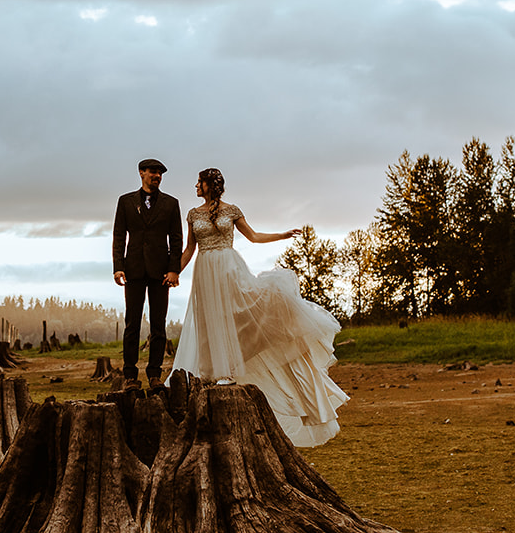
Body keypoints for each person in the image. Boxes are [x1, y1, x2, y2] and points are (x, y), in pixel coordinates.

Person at [172, 167, 347, 446]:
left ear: (210, 185)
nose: (195, 185)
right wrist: (173, 273)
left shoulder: (233, 210)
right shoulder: (193, 214)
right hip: (204, 270)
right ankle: (210, 370)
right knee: (208, 319)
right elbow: (189, 249)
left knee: (235, 316)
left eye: (199, 182)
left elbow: (252, 236)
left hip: (229, 268)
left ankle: (228, 369)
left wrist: (282, 235)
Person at [112, 158, 182, 387]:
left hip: (161, 272)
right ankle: (130, 376)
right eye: (152, 172)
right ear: (141, 173)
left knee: (158, 325)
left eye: (160, 173)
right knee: (132, 324)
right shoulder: (125, 201)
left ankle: (154, 375)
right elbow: (119, 236)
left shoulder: (172, 204)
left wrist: (174, 270)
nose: (157, 176)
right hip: (132, 269)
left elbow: (177, 240)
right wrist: (118, 266)